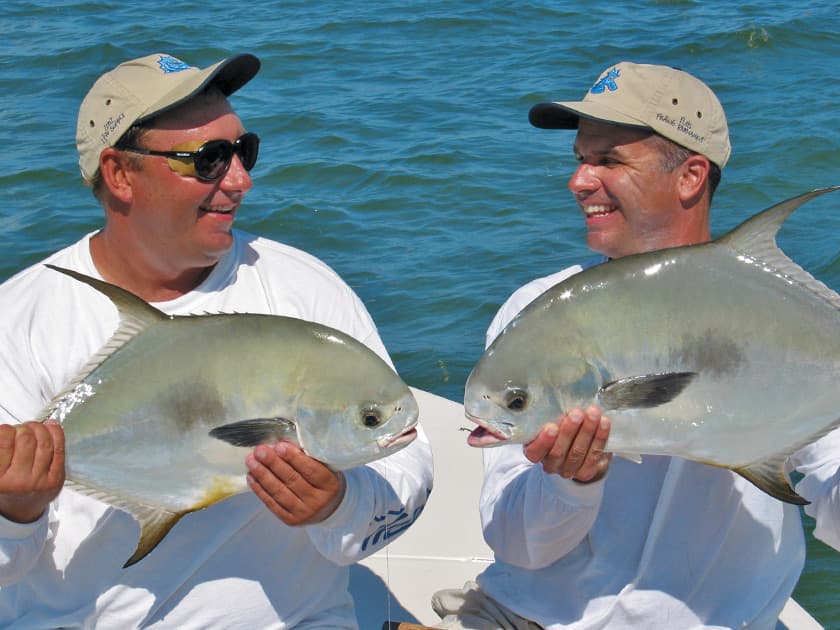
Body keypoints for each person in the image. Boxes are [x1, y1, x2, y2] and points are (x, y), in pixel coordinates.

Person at [0, 52, 433, 628]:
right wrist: (15, 510)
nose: (241, 180)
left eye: (243, 151)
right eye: (208, 160)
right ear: (120, 174)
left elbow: (406, 471)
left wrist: (339, 504)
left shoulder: (302, 289)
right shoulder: (21, 319)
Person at [432, 61, 838, 629]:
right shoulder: (541, 311)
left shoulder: (784, 323)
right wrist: (571, 482)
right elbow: (517, 546)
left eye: (608, 161)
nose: (578, 182)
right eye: (579, 160)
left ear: (690, 176)